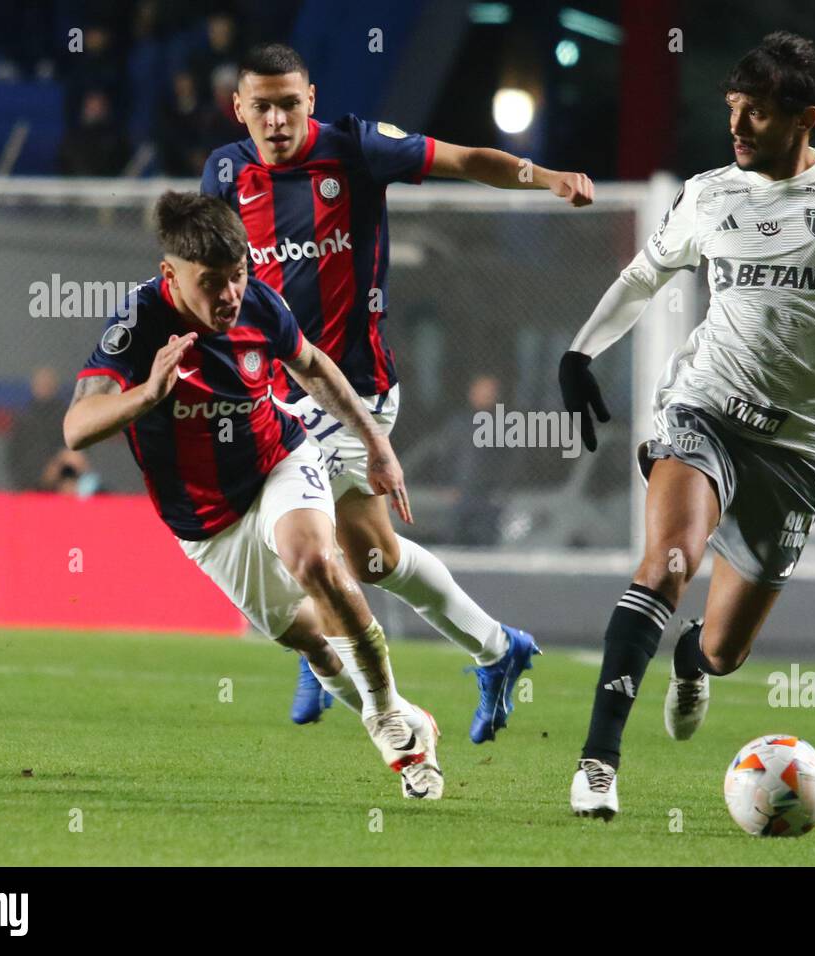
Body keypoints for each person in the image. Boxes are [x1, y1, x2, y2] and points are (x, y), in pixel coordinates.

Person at [559, 33, 815, 818]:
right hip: (704, 409)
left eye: (757, 115)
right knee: (667, 563)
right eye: (733, 110)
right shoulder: (710, 194)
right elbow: (647, 274)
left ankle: (690, 659)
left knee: (724, 648)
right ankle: (598, 763)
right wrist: (580, 351)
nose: (737, 128)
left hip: (800, 446)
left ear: (805, 119)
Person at [201, 43, 595, 740]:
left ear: (311, 100)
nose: (276, 119)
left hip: (355, 391)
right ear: (239, 109)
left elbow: (468, 159)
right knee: (375, 559)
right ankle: (499, 648)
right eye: (260, 106)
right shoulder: (226, 173)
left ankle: (326, 642)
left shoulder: (356, 147)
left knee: (281, 521)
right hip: (277, 391)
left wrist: (548, 176)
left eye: (289, 104)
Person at [65, 190, 443, 799]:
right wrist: (147, 394)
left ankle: (389, 726)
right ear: (172, 276)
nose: (229, 295)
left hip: (278, 463)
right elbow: (76, 428)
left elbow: (312, 366)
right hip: (206, 524)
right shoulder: (137, 324)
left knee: (316, 560)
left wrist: (376, 443)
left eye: (237, 276)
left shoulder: (260, 304)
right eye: (211, 282)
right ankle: (398, 710)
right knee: (312, 641)